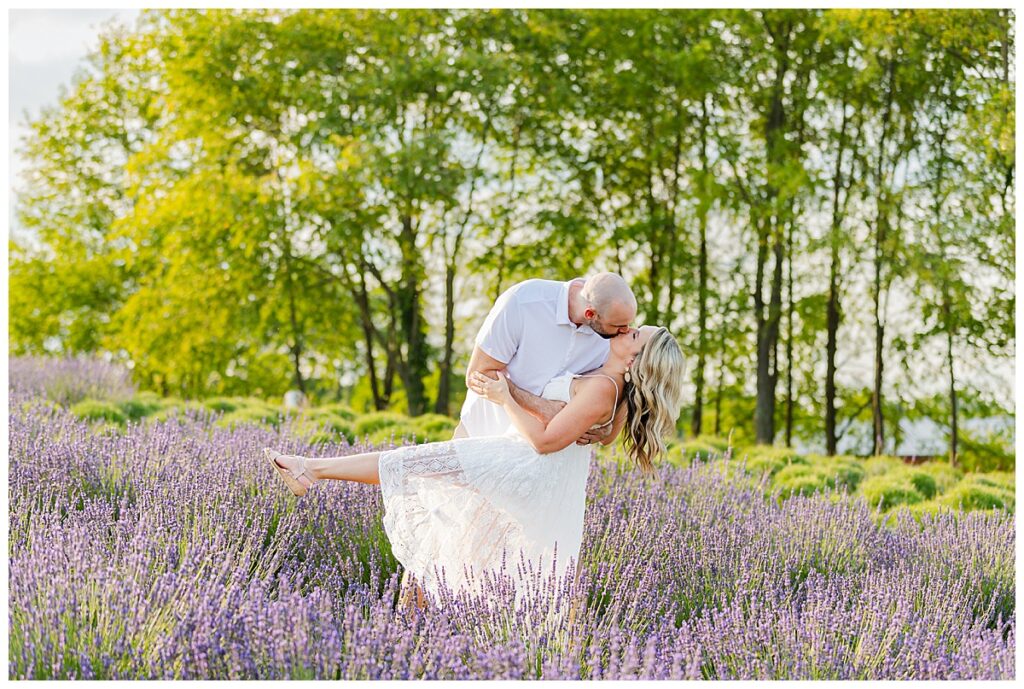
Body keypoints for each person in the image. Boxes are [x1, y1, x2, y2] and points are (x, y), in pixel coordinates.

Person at [264, 325, 685, 608]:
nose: (627, 328)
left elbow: (542, 443)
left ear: (635, 358)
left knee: (416, 463)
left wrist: (504, 397)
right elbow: (603, 433)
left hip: (525, 465)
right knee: (460, 535)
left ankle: (310, 469)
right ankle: (311, 471)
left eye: (635, 334)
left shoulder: (603, 388)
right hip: (537, 472)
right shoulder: (611, 385)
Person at [457, 272, 638, 447]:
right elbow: (478, 374)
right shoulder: (523, 302)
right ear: (590, 314)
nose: (626, 331)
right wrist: (539, 407)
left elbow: (620, 384)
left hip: (551, 457)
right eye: (619, 326)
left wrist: (606, 426)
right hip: (482, 434)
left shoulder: (612, 334)